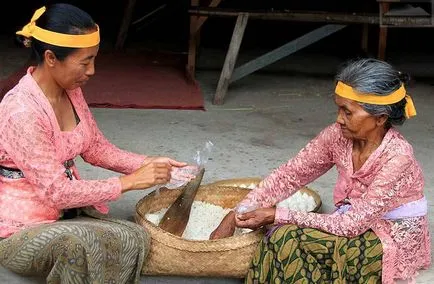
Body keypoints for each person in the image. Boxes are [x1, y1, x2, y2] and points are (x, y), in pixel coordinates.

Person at [0, 4, 195, 283]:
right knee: (75, 246)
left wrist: (149, 164)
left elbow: (96, 148)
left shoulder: (71, 90)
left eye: (93, 60)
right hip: (18, 229)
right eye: (84, 62)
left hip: (63, 214)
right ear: (51, 57)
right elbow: (57, 192)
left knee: (133, 237)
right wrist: (127, 182)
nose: (91, 71)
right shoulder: (22, 111)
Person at [210, 58, 431, 283]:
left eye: (347, 112)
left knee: (284, 237)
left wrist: (279, 215)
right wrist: (237, 213)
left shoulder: (397, 156)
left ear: (380, 118)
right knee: (276, 238)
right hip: (350, 221)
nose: (339, 119)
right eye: (338, 109)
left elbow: (353, 224)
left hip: (386, 237)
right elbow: (290, 175)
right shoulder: (337, 136)